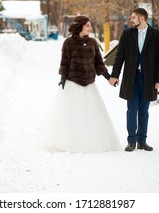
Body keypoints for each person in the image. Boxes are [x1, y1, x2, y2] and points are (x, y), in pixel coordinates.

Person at [37, 15, 121, 152]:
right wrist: (63, 78)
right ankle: (70, 142)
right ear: (80, 26)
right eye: (87, 25)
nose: (90, 27)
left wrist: (109, 77)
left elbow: (99, 64)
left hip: (89, 85)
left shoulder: (93, 43)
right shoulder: (68, 43)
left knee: (90, 115)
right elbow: (65, 62)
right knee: (72, 114)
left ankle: (90, 141)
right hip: (73, 83)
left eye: (90, 25)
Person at [108, 8, 159, 152]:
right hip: (131, 78)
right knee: (131, 110)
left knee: (144, 111)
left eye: (133, 17)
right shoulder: (127, 34)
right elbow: (119, 56)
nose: (131, 20)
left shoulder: (157, 35)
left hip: (149, 79)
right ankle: (131, 141)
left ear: (142, 19)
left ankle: (142, 141)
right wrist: (114, 75)